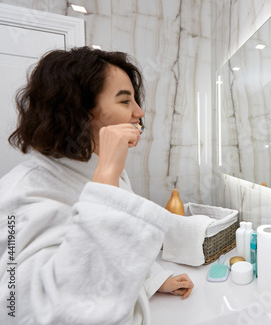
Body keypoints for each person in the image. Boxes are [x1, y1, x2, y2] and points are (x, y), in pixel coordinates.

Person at [0, 46, 194, 324]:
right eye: (125, 101)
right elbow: (26, 310)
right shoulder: (21, 193)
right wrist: (106, 177)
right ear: (80, 112)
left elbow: (110, 248)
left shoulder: (96, 166)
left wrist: (155, 279)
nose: (139, 111)